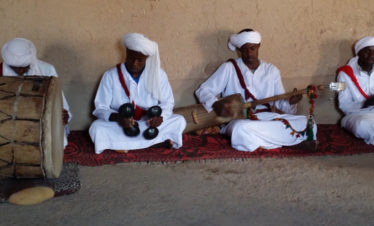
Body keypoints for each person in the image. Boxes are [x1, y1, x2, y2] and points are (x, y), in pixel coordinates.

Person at [195, 29, 317, 152]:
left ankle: (265, 142)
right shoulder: (229, 68)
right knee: (240, 129)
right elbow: (203, 90)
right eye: (244, 50)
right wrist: (215, 104)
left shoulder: (271, 70)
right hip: (240, 120)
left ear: (259, 46)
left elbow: (281, 103)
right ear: (239, 50)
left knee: (307, 123)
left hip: (267, 118)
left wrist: (291, 101)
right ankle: (290, 142)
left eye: (252, 49)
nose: (249, 54)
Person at [89, 33, 186, 154]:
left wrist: (160, 118)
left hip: (148, 123)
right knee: (96, 128)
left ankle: (124, 146)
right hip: (122, 124)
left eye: (139, 60)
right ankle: (153, 143)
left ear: (146, 58)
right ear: (126, 54)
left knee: (179, 121)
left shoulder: (159, 75)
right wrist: (119, 118)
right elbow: (100, 108)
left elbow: (168, 103)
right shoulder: (111, 75)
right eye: (131, 58)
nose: (134, 63)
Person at [1, 37, 72, 148]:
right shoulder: (0, 71)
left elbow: (59, 101)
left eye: (23, 67)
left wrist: (64, 114)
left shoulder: (47, 69)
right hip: (8, 121)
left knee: (54, 138)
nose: (20, 71)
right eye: (15, 68)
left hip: (41, 121)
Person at [337, 36, 374, 145]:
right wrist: (366, 103)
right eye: (367, 51)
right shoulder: (343, 74)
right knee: (362, 125)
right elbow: (343, 105)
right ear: (359, 53)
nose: (372, 55)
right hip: (357, 115)